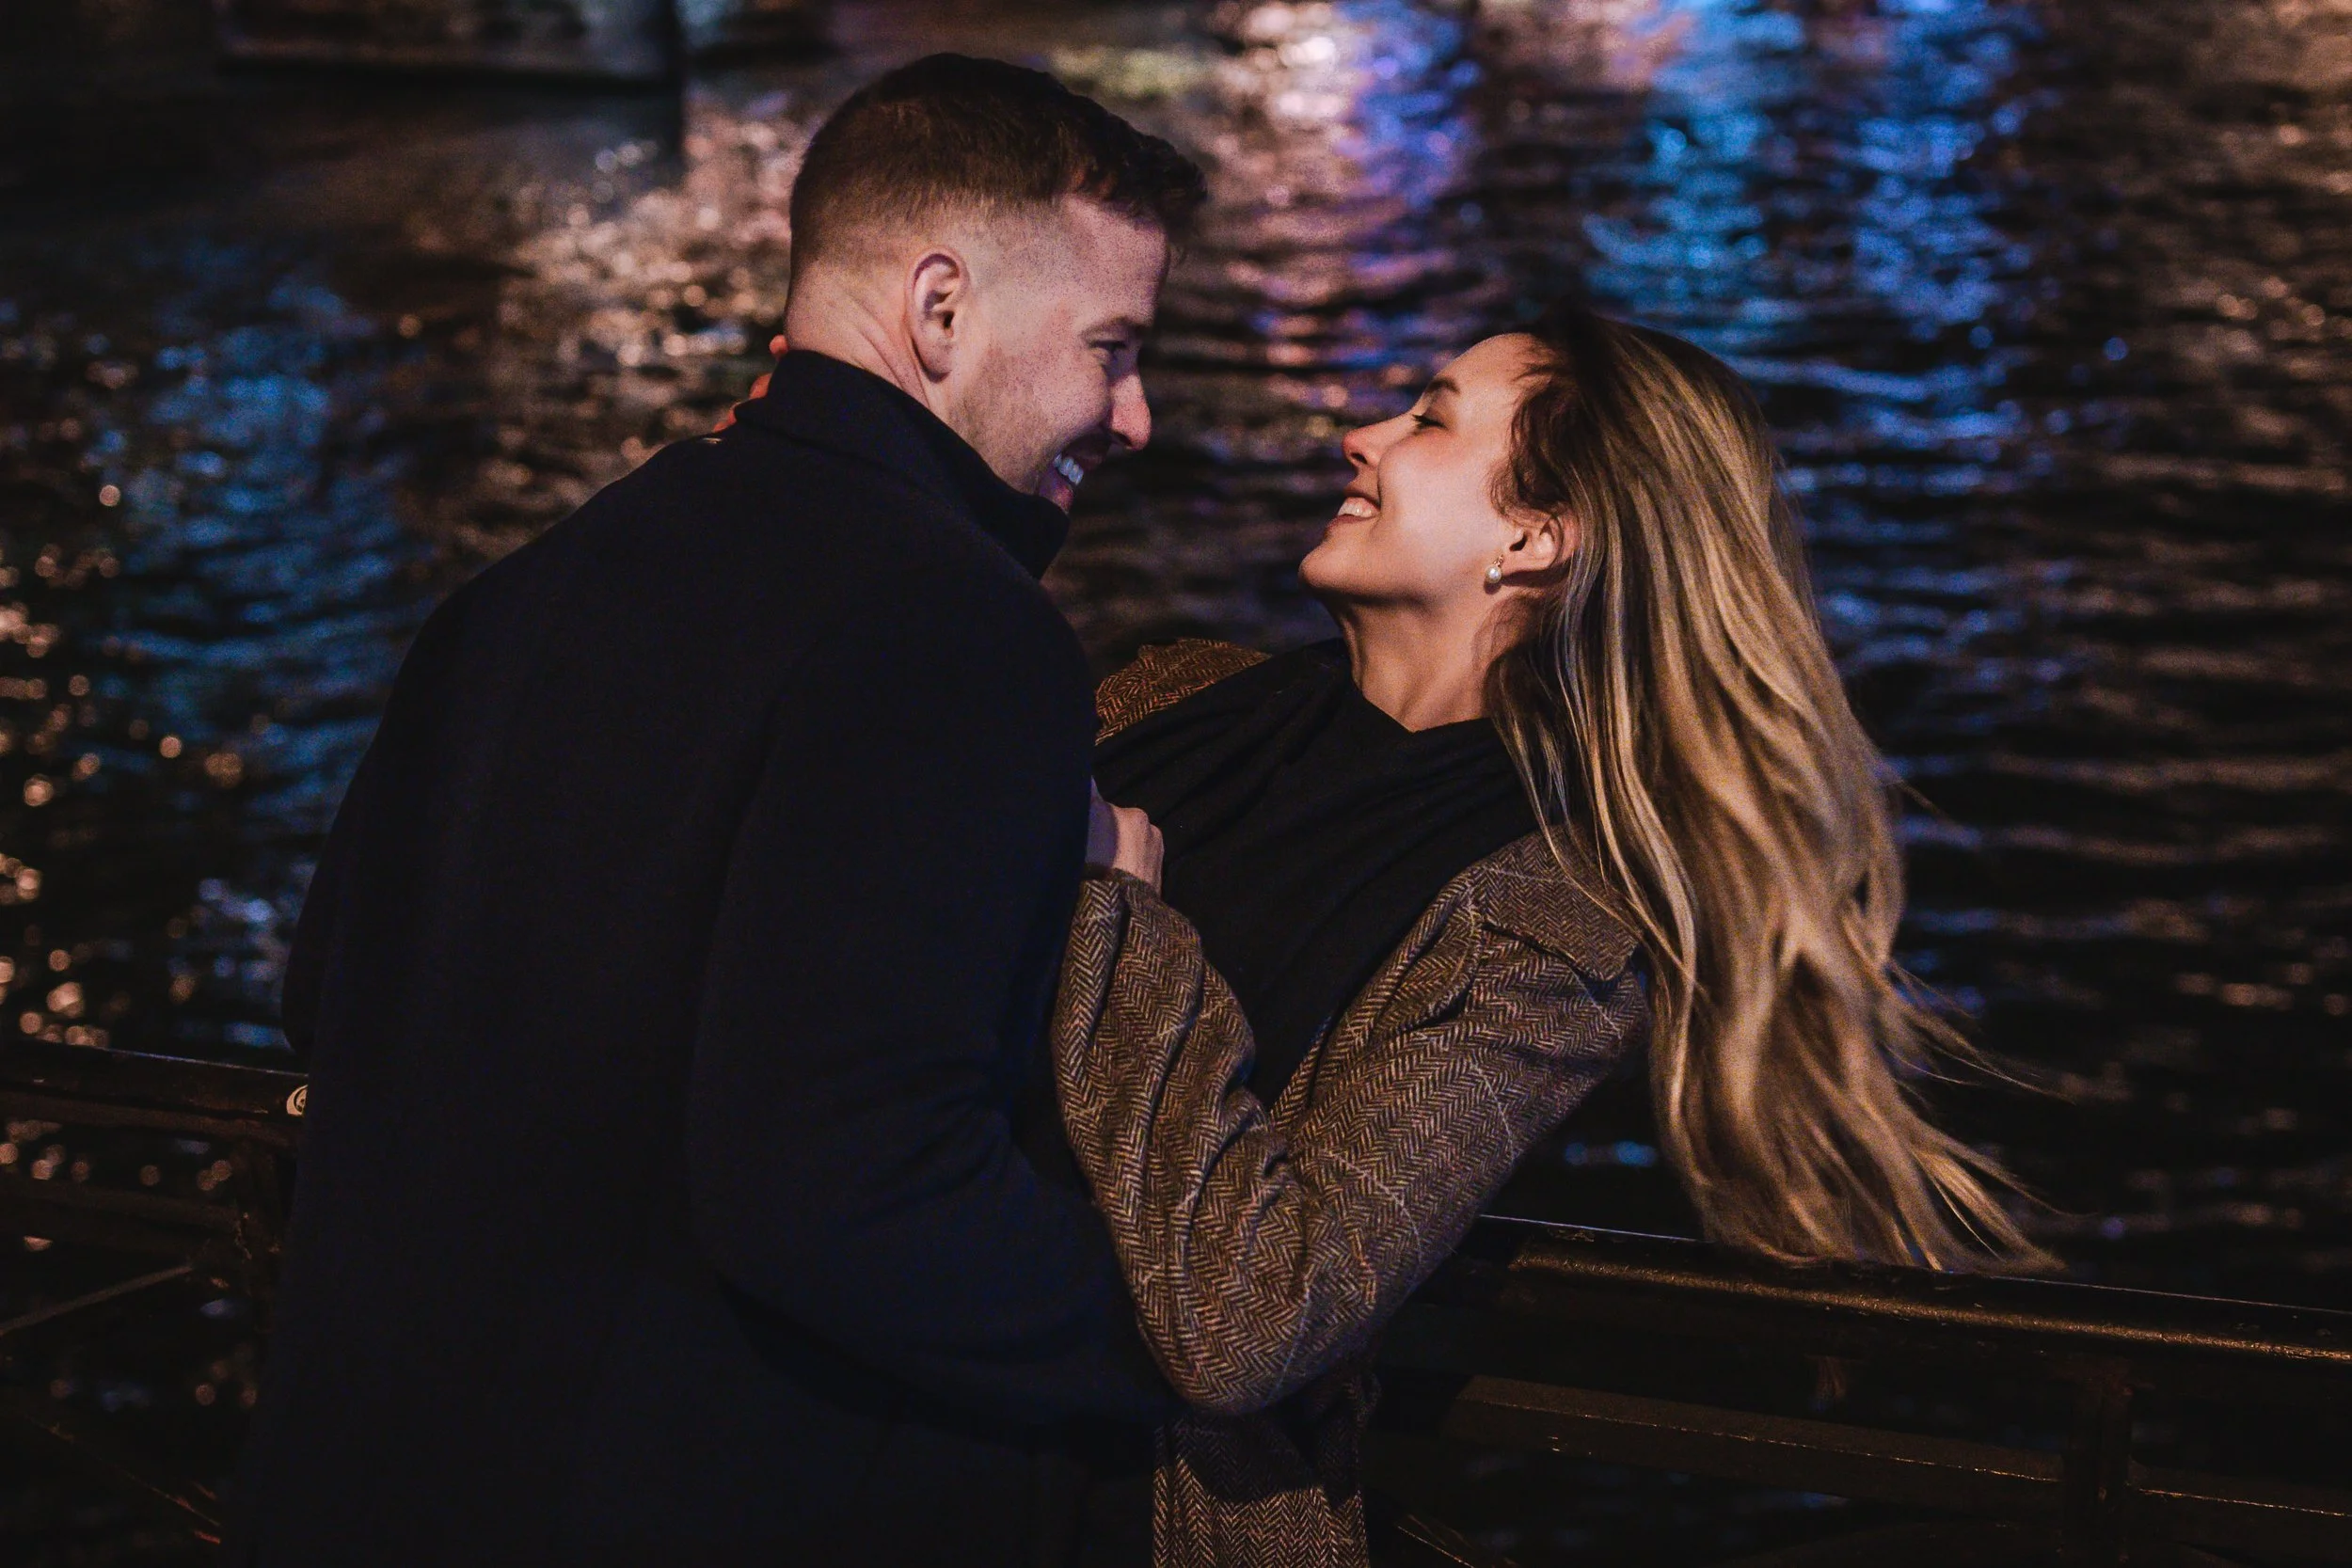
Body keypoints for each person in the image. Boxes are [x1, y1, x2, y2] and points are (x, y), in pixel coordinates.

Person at [231, 56, 1204, 1567]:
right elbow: (848, 1186)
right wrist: (1171, 1342)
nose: (1134, 415)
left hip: (359, 1480)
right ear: (942, 310)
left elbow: (330, 1001)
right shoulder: (955, 626)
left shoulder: (521, 590)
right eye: (1113, 345)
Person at [1052, 305, 2049, 1566]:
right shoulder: (1182, 697)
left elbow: (1253, 1315)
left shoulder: (1549, 914)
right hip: (858, 1398)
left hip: (1104, 1507)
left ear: (1537, 534)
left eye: (1426, 419)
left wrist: (1123, 928)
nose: (1357, 436)